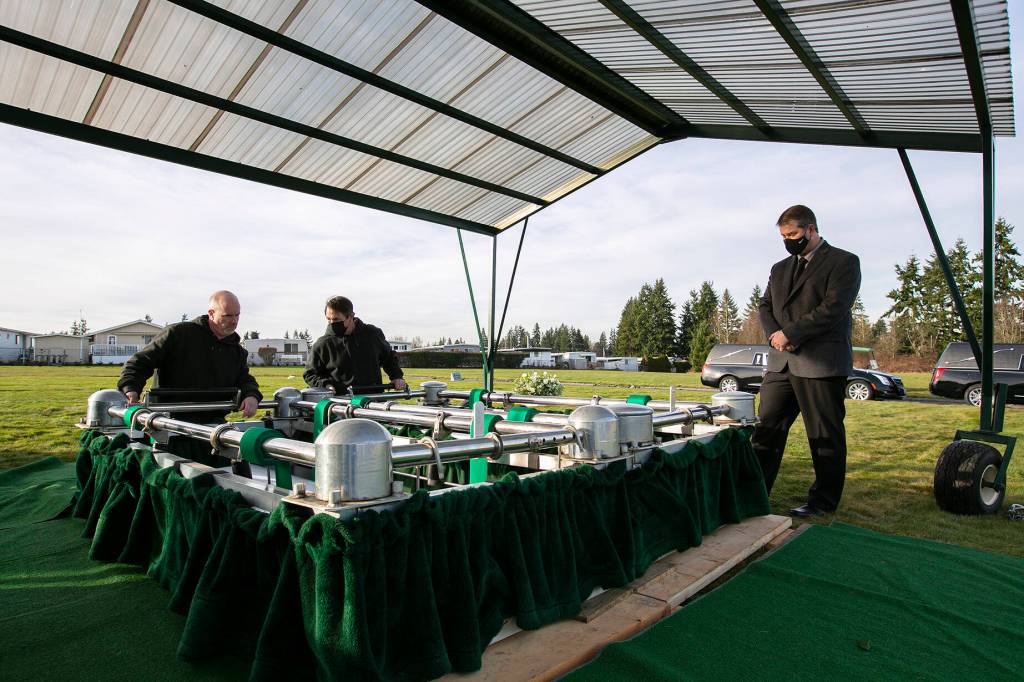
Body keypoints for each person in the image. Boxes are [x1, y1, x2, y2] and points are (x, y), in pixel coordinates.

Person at [751, 205, 861, 517]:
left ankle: (822, 503)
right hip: (780, 363)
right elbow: (765, 305)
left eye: (794, 234)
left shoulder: (844, 262)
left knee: (823, 435)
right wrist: (776, 335)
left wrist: (792, 333)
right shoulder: (780, 267)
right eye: (784, 236)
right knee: (766, 429)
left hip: (820, 363)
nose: (788, 240)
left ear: (810, 229)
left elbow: (833, 308)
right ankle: (755, 495)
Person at [118, 290, 262, 468]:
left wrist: (251, 395)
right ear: (211, 313)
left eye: (237, 315)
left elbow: (244, 378)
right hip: (171, 429)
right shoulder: (178, 334)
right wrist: (131, 389)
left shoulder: (236, 351)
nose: (234, 321)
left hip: (213, 430)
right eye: (228, 315)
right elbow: (140, 363)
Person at [304, 296, 407, 394]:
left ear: (351, 316)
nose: (331, 323)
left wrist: (396, 376)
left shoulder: (372, 334)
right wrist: (325, 384)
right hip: (340, 404)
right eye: (328, 319)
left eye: (336, 319)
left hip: (374, 400)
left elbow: (388, 357)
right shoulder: (322, 344)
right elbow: (310, 374)